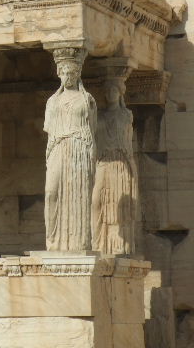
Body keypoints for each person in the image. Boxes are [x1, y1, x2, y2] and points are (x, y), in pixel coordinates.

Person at [44, 50, 96, 251]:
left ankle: (77, 242)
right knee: (51, 191)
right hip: (58, 146)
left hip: (78, 147)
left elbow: (92, 129)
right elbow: (49, 128)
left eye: (71, 74)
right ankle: (54, 240)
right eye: (64, 73)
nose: (67, 77)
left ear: (77, 75)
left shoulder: (87, 99)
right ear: (59, 74)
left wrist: (91, 157)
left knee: (78, 193)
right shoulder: (52, 101)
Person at [91, 78, 138, 255]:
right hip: (102, 161)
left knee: (121, 204)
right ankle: (97, 243)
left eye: (114, 91)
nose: (111, 94)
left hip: (120, 162)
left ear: (120, 93)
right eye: (108, 91)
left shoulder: (127, 115)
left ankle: (120, 245)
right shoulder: (99, 116)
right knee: (96, 201)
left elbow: (127, 140)